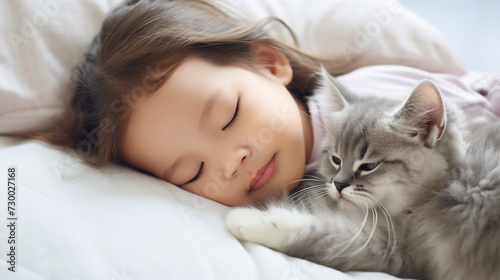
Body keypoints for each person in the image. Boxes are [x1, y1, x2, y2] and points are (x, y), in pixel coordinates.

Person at [42, 0, 500, 207]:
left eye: (230, 116)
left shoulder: (373, 107)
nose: (232, 159)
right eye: (191, 173)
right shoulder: (296, 205)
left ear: (269, 63)